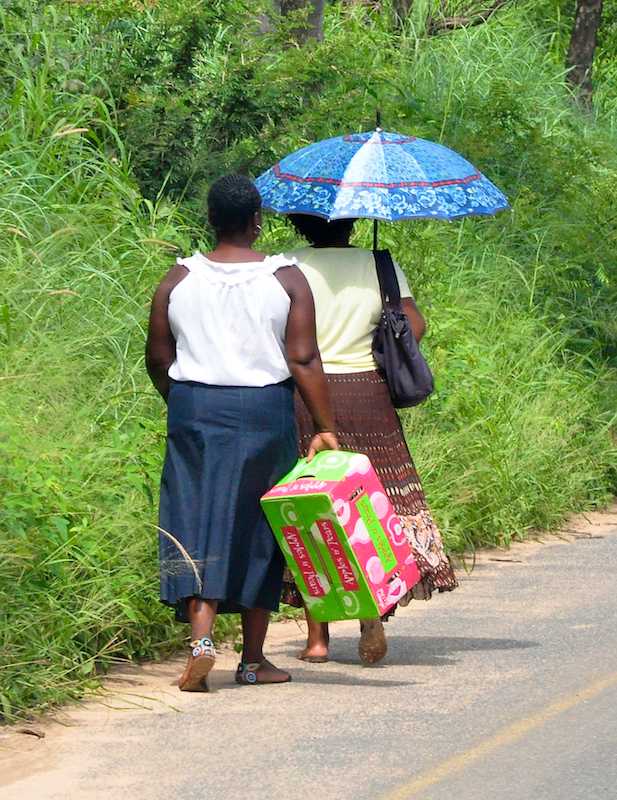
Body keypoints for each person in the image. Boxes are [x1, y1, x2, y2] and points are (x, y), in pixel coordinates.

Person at [145, 176, 338, 691]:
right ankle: (253, 661)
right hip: (263, 412)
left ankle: (201, 642)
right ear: (258, 221)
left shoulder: (177, 278)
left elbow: (160, 359)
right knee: (260, 527)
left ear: (210, 220)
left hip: (193, 409)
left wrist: (189, 406)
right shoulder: (287, 279)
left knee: (195, 517)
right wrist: (324, 426)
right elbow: (302, 358)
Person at [281, 213, 457, 665]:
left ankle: (317, 639)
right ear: (354, 222)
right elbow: (414, 324)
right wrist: (380, 341)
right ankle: (371, 619)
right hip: (368, 393)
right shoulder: (379, 264)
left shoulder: (285, 265)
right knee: (368, 509)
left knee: (310, 510)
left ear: (301, 224)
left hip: (305, 393)